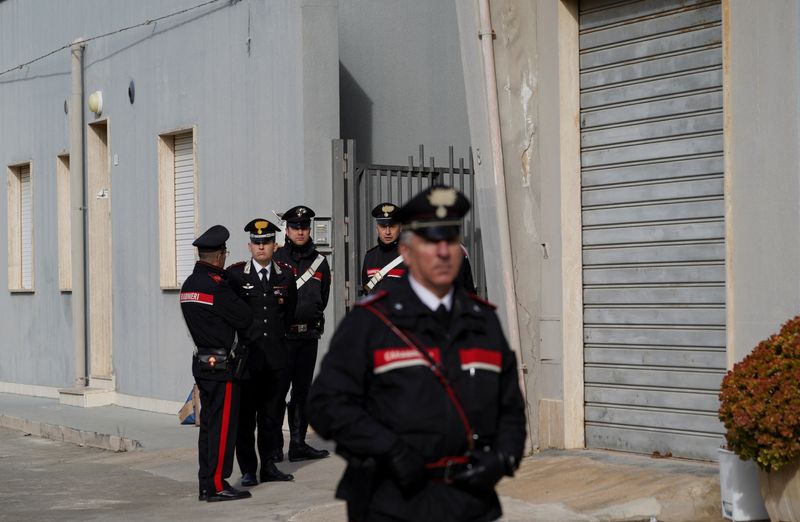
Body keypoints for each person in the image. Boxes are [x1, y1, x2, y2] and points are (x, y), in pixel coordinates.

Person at [307, 186, 527, 522]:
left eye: (450, 240)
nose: (442, 252)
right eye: (430, 241)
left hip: (469, 500)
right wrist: (388, 449)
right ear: (407, 253)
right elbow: (326, 406)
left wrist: (503, 457)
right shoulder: (371, 322)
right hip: (393, 500)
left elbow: (510, 404)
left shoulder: (482, 321)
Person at [179, 225, 253, 502]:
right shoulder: (217, 287)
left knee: (209, 427)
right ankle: (219, 483)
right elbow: (244, 318)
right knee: (223, 428)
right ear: (220, 255)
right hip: (223, 366)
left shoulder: (189, 284)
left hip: (202, 363)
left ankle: (205, 483)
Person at [226, 219, 296, 486]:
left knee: (270, 418)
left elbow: (288, 314)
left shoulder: (286, 275)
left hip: (275, 360)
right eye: (256, 242)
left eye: (266, 241)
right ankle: (247, 470)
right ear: (249, 246)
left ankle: (268, 466)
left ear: (274, 245)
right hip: (248, 360)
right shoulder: (236, 276)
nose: (261, 247)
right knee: (246, 419)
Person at [272, 205, 331, 462]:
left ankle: (298, 444)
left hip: (308, 337)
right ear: (287, 229)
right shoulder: (277, 259)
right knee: (276, 392)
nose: (300, 231)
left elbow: (323, 297)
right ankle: (273, 446)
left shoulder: (320, 262)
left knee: (302, 392)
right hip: (282, 338)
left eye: (304, 227)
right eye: (295, 227)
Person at [361, 202, 405, 295]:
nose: (387, 232)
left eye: (392, 226)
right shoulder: (370, 257)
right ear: (377, 229)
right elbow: (367, 290)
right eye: (383, 227)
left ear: (400, 228)